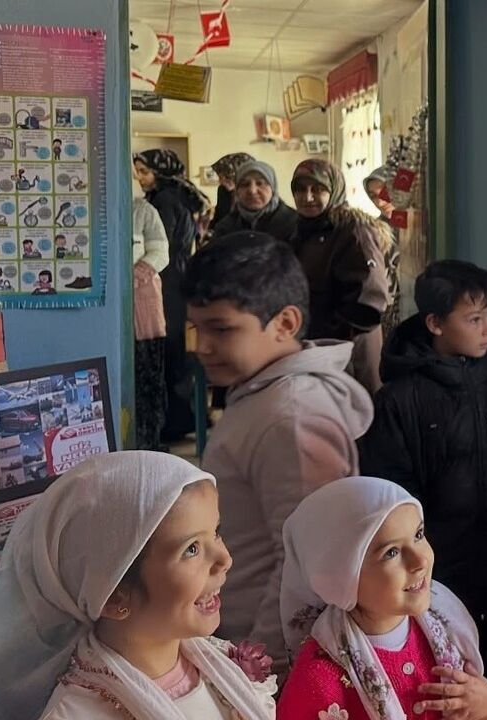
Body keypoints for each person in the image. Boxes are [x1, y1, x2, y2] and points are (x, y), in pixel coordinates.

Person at [183, 232, 374, 678]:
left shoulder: (291, 417)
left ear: (285, 323)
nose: (201, 347)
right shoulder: (262, 394)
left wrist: (259, 669)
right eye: (197, 328)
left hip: (264, 663)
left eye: (222, 328)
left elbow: (309, 565)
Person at [0, 451, 276, 720]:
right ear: (113, 596)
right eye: (191, 549)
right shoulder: (78, 712)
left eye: (216, 533)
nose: (224, 559)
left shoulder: (224, 667)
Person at [359, 260, 487, 644]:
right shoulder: (399, 398)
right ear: (435, 323)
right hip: (439, 566)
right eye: (474, 319)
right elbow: (392, 492)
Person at [276, 476, 487, 720]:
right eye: (392, 552)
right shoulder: (318, 679)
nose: (420, 561)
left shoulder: (449, 631)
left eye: (418, 535)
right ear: (342, 576)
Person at [289, 158, 391, 394]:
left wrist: (332, 334)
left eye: (318, 189)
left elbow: (370, 298)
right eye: (300, 189)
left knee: (354, 418)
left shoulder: (353, 229)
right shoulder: (301, 231)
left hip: (349, 349)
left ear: (333, 190)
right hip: (316, 345)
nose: (308, 197)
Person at [133, 148, 211, 444]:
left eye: (144, 171)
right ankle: (180, 418)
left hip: (165, 282)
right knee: (173, 353)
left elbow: (158, 246)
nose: (139, 178)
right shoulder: (172, 195)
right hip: (172, 279)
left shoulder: (165, 200)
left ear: (161, 172)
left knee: (171, 353)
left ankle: (176, 422)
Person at [132, 196, 171, 450]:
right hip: (113, 306)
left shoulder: (143, 210)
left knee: (149, 374)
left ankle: (151, 441)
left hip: (143, 300)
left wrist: (133, 275)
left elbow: (161, 252)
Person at [211, 159, 298, 244]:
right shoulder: (226, 228)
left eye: (260, 183)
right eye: (245, 184)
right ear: (236, 191)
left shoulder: (293, 223)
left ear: (273, 188)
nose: (252, 191)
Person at [363, 165, 405, 336]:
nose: (379, 202)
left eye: (384, 192)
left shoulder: (420, 224)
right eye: (373, 196)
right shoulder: (374, 230)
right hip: (388, 312)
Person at [208, 152, 254, 234]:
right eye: (220, 177)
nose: (221, 181)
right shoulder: (223, 190)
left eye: (225, 177)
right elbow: (219, 218)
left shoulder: (254, 194)